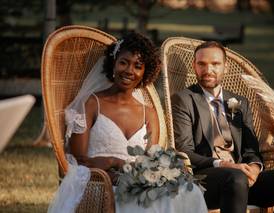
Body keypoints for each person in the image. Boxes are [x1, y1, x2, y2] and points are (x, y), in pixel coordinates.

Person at [50, 32, 207, 213]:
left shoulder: (149, 113)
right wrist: (112, 161)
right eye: (124, 62)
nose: (129, 71)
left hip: (139, 184)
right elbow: (79, 160)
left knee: (190, 192)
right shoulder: (92, 104)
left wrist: (165, 173)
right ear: (113, 63)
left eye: (138, 66)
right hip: (101, 184)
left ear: (144, 72)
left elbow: (150, 160)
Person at [171, 41, 274, 213]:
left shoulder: (237, 102)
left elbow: (250, 149)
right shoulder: (184, 100)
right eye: (202, 64)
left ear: (226, 67)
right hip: (206, 180)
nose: (208, 70)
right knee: (236, 177)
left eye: (215, 64)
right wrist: (224, 164)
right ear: (194, 66)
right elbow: (185, 150)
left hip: (242, 177)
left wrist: (254, 167)